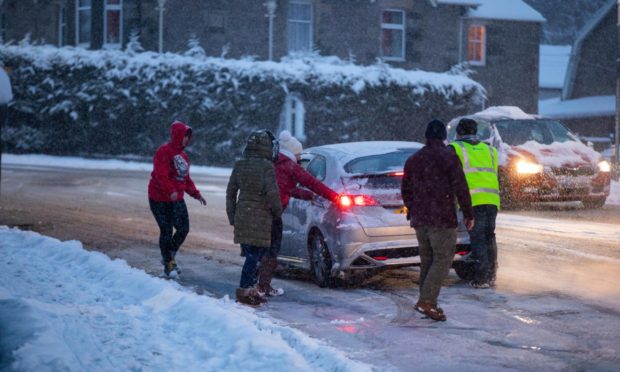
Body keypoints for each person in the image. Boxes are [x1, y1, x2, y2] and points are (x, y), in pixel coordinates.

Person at [401, 119, 474, 321]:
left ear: (426, 136)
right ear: (443, 137)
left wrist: (413, 210)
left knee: (428, 260)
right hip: (441, 219)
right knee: (442, 260)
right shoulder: (449, 158)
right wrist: (468, 214)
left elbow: (405, 190)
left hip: (420, 219)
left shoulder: (414, 159)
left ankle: (426, 301)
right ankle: (426, 301)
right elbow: (461, 188)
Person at [257, 130, 339, 297]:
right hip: (272, 213)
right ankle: (262, 287)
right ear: (293, 152)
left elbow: (286, 188)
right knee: (272, 251)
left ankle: (257, 285)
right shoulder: (289, 165)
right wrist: (335, 196)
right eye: (299, 154)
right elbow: (313, 182)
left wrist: (308, 196)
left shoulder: (273, 162)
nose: (300, 158)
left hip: (259, 211)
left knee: (260, 251)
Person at [226, 129, 283, 306]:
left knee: (251, 254)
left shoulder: (240, 164)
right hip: (260, 217)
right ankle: (245, 288)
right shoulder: (267, 167)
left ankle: (250, 288)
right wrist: (277, 211)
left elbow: (231, 192)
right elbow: (272, 193)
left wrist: (232, 214)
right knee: (255, 255)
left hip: (243, 213)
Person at [148, 121, 206, 277]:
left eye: (188, 137)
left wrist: (196, 193)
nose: (186, 140)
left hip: (176, 199)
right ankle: (169, 264)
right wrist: (170, 190)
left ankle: (169, 255)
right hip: (159, 198)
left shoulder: (184, 157)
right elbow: (160, 175)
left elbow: (186, 179)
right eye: (184, 136)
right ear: (177, 136)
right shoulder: (164, 151)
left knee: (183, 229)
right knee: (166, 230)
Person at [449, 118, 500, 289]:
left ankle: (482, 278)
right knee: (489, 236)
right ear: (475, 131)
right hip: (492, 199)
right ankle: (492, 275)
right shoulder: (490, 150)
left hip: (473, 200)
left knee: (477, 239)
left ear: (459, 132)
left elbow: (452, 177)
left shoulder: (456, 148)